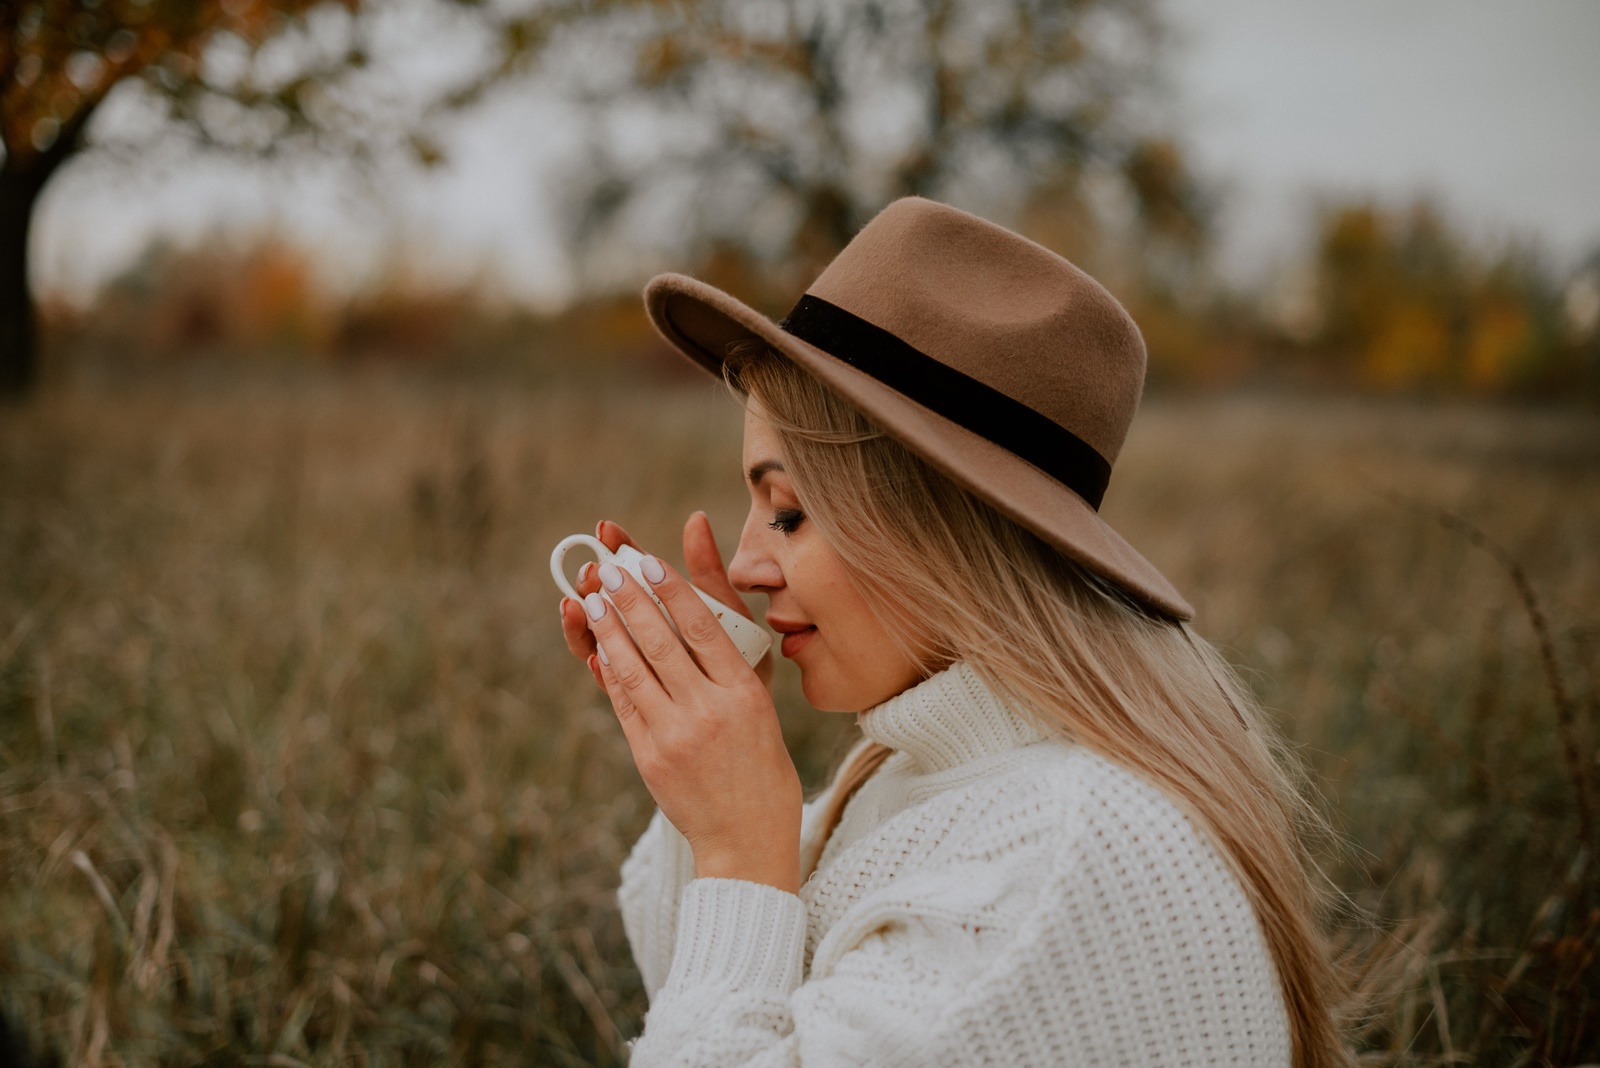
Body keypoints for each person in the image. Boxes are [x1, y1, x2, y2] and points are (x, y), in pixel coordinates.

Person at [556, 196, 1350, 1067]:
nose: (744, 564)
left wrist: (741, 846)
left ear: (938, 532)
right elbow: (703, 990)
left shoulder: (1044, 866)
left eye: (788, 513)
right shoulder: (935, 774)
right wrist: (708, 787)